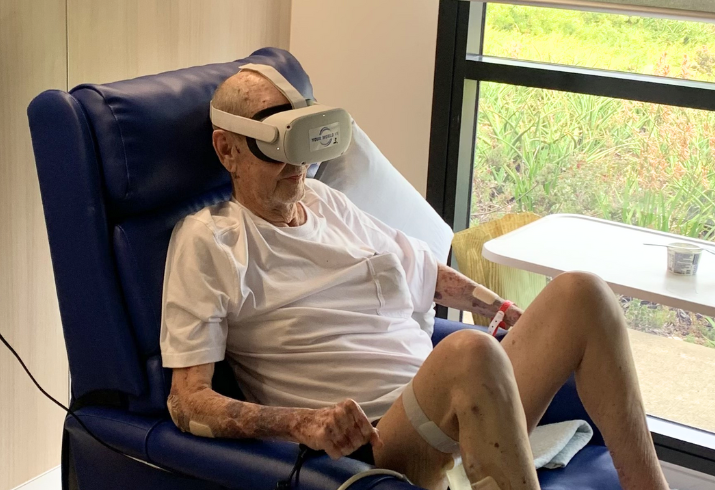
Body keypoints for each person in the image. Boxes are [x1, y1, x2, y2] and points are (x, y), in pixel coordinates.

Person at [160, 69, 669, 490]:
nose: (295, 161)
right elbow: (187, 403)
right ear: (228, 151)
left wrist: (498, 308)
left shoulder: (323, 200)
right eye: (275, 144)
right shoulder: (210, 242)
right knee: (469, 352)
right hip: (384, 441)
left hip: (451, 401)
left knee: (583, 293)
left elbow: (420, 268)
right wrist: (302, 422)